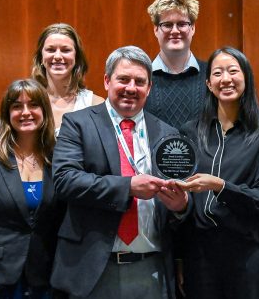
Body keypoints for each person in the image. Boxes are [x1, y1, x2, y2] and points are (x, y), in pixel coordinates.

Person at [50, 46, 191, 299]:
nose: (131, 88)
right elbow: (65, 180)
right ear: (107, 81)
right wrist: (127, 187)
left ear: (149, 87)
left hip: (151, 269)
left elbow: (178, 202)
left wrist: (180, 207)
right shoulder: (78, 124)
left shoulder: (168, 134)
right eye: (123, 79)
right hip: (92, 269)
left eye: (139, 81)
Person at [175, 47, 259, 299]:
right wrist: (179, 255)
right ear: (209, 83)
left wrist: (220, 185)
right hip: (199, 251)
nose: (226, 79)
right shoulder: (190, 131)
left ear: (246, 77)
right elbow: (182, 201)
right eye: (218, 73)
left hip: (245, 250)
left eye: (233, 71)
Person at [0, 79, 64, 298]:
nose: (26, 112)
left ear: (44, 110)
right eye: (17, 106)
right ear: (7, 113)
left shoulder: (57, 161)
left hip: (44, 281)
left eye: (33, 105)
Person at [145, 0, 207, 129]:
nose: (174, 31)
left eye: (181, 24)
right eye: (167, 25)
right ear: (156, 30)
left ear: (192, 28)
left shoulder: (212, 74)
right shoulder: (141, 77)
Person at [32, 23, 104, 135]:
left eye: (65, 50)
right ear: (41, 57)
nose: (57, 56)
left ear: (77, 57)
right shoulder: (27, 103)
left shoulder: (95, 104)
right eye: (50, 50)